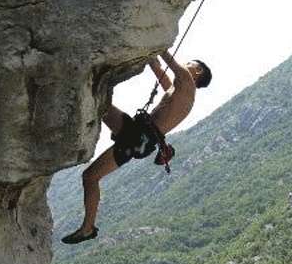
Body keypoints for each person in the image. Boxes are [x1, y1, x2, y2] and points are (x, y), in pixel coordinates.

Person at [61, 51, 212, 244]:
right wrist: (151, 59)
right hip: (137, 132)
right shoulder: (180, 91)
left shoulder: (187, 83)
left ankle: (88, 228)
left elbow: (167, 56)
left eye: (189, 62)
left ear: (197, 70)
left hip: (138, 139)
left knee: (90, 176)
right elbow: (159, 70)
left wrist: (157, 40)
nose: (184, 63)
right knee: (100, 103)